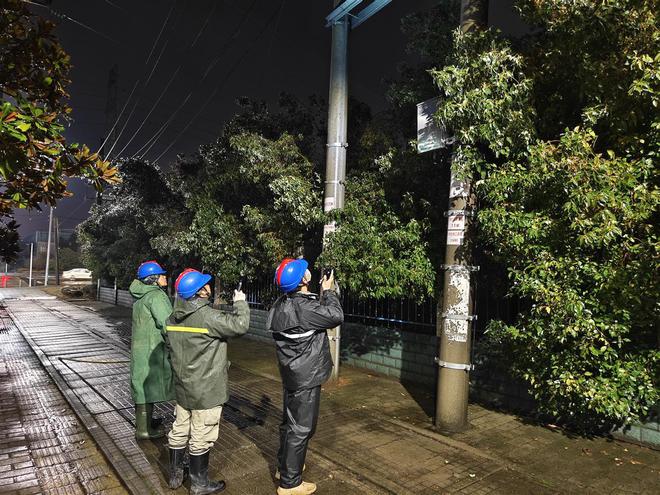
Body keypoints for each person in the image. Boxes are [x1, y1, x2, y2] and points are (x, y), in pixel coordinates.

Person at [166, 268, 249, 494]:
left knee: (180, 428)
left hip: (183, 387)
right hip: (206, 389)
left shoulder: (172, 318)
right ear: (200, 292)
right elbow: (240, 326)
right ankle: (199, 484)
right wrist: (240, 303)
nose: (209, 287)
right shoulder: (209, 318)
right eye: (205, 285)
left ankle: (174, 476)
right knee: (202, 434)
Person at [267, 258, 344, 495]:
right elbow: (335, 316)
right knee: (301, 428)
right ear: (303, 280)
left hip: (292, 374)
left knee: (289, 424)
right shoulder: (305, 309)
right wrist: (329, 291)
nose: (309, 272)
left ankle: (286, 466)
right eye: (305, 272)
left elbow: (307, 311)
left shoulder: (282, 304)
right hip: (306, 376)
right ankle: (290, 483)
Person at [129, 260, 174, 440]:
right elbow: (167, 324)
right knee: (148, 386)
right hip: (152, 349)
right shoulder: (156, 296)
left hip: (141, 350)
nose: (166, 277)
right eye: (162, 275)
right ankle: (144, 430)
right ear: (154, 279)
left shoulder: (141, 296)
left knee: (143, 385)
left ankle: (145, 423)